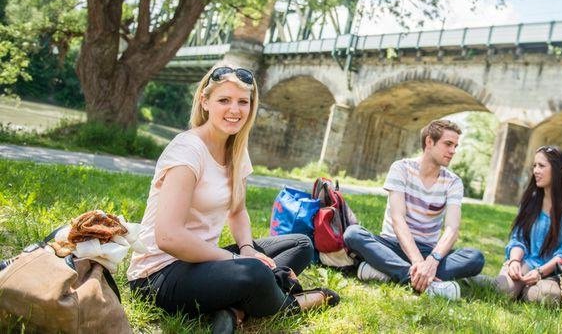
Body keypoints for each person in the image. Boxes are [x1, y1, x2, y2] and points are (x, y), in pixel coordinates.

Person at [127, 64, 338, 333]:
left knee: (300, 244)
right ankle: (291, 303)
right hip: (159, 274)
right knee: (257, 273)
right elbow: (168, 237)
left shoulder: (235, 149)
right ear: (205, 101)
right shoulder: (187, 151)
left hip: (204, 261)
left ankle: (231, 307)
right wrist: (237, 262)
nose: (235, 110)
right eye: (224, 100)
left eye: (242, 102)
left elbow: (237, 211)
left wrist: (248, 249)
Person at [343, 119, 485, 301]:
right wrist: (418, 263)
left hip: (428, 251)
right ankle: (428, 284)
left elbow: (452, 229)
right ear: (429, 142)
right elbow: (397, 219)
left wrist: (432, 261)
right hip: (392, 245)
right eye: (448, 144)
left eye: (456, 146)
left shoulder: (453, 182)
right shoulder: (401, 168)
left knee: (476, 258)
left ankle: (387, 273)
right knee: (353, 234)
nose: (453, 151)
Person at [494, 145, 562, 305]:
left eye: (541, 166)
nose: (536, 171)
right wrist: (514, 261)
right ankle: (463, 282)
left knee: (542, 296)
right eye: (534, 166)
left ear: (559, 169)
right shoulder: (531, 198)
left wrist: (539, 272)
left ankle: (525, 291)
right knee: (503, 290)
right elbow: (519, 238)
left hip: (554, 271)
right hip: (526, 262)